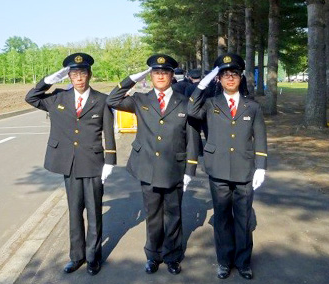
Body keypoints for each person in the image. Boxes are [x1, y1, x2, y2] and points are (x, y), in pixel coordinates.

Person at [106, 54, 200, 275]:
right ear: (151, 75)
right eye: (156, 72)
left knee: (173, 214)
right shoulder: (141, 100)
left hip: (174, 168)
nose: (160, 76)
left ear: (171, 76)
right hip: (147, 167)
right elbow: (112, 100)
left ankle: (173, 256)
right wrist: (131, 79)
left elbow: (193, 137)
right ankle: (153, 255)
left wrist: (190, 169)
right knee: (153, 215)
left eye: (164, 72)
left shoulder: (184, 102)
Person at [25, 53, 116, 276]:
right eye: (74, 74)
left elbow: (109, 133)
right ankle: (76, 257)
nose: (79, 78)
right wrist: (48, 80)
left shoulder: (102, 100)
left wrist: (110, 161)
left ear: (89, 75)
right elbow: (31, 97)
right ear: (69, 76)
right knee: (74, 212)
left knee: (94, 213)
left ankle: (94, 258)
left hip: (93, 163)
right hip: (70, 164)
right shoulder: (57, 98)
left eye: (82, 73)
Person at [187, 53, 267, 280]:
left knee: (243, 218)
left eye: (234, 74)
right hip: (218, 168)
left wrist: (261, 166)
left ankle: (243, 262)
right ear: (218, 79)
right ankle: (224, 261)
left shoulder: (252, 106)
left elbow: (260, 137)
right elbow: (191, 110)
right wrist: (202, 84)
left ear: (240, 78)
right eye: (225, 75)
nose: (230, 79)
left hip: (244, 169)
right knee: (222, 219)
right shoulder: (210, 104)